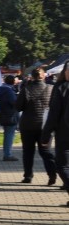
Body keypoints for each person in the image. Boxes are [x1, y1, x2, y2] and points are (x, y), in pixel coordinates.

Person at [15, 66, 56, 184]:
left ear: (32, 77)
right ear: (43, 76)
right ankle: (52, 175)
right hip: (45, 125)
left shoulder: (26, 89)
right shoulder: (51, 89)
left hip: (28, 125)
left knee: (28, 152)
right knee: (45, 151)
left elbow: (18, 107)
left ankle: (28, 176)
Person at [41, 61, 69, 204]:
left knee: (62, 165)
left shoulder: (61, 87)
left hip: (64, 132)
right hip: (63, 130)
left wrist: (45, 135)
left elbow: (54, 113)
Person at [0, 75, 20, 161]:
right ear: (13, 82)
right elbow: (14, 102)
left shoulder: (2, 89)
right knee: (9, 135)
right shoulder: (9, 91)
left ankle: (6, 153)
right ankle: (8, 154)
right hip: (10, 115)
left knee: (7, 135)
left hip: (4, 114)